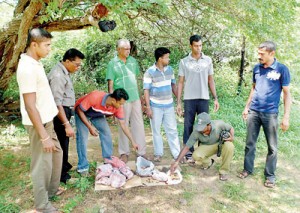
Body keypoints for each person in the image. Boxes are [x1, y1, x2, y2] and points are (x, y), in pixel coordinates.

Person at [16, 28, 62, 212]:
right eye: (47, 45)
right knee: (41, 164)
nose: (49, 49)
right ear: (34, 44)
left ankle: (51, 190)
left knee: (56, 154)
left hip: (47, 120)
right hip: (38, 124)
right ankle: (42, 205)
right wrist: (43, 135)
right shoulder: (26, 68)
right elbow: (30, 105)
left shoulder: (35, 62)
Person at [239, 41, 291, 188]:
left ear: (272, 53)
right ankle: (247, 169)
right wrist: (246, 107)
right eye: (258, 53)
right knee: (250, 143)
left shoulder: (282, 69)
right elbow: (254, 89)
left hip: (270, 114)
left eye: (262, 54)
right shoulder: (257, 68)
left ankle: (270, 176)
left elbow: (287, 94)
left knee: (272, 147)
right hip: (254, 112)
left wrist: (286, 117)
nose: (259, 56)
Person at [75, 88, 139, 176]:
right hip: (81, 112)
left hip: (96, 114)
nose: (121, 105)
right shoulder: (95, 97)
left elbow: (124, 125)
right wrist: (90, 127)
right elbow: (79, 110)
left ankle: (108, 159)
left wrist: (133, 142)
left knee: (106, 132)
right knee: (82, 138)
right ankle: (82, 167)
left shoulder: (117, 107)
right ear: (113, 100)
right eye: (120, 103)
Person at [177, 34, 220, 162]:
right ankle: (188, 152)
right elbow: (180, 82)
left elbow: (211, 80)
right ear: (191, 46)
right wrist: (178, 102)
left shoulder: (208, 60)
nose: (198, 48)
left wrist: (215, 98)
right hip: (189, 98)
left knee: (204, 126)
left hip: (203, 98)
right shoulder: (184, 61)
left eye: (200, 45)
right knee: (188, 125)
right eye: (196, 46)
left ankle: (202, 151)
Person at [106, 39, 147, 163]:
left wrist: (141, 96)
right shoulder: (112, 63)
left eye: (129, 48)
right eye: (125, 49)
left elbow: (136, 79)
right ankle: (124, 152)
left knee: (138, 124)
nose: (128, 51)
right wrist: (112, 102)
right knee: (123, 125)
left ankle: (141, 152)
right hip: (121, 100)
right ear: (118, 50)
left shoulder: (133, 61)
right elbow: (110, 83)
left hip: (135, 97)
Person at [48, 48, 85, 184]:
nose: (78, 67)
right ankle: (62, 176)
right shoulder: (58, 75)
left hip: (65, 110)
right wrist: (66, 124)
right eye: (76, 64)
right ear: (67, 61)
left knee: (65, 141)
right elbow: (56, 103)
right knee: (61, 143)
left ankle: (64, 166)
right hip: (59, 113)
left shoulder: (65, 72)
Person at [170, 112, 234, 181]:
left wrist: (232, 137)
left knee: (230, 146)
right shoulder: (196, 131)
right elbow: (187, 147)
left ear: (209, 125)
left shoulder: (219, 124)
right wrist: (177, 161)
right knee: (195, 155)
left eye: (202, 127)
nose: (200, 129)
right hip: (207, 146)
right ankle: (209, 162)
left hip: (221, 144)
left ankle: (223, 171)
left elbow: (230, 128)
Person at [143, 47, 180, 162]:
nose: (168, 59)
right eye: (167, 57)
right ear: (160, 59)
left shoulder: (170, 70)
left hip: (169, 105)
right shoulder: (150, 72)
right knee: (156, 131)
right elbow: (146, 90)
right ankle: (158, 153)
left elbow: (174, 86)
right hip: (155, 106)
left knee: (172, 130)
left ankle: (177, 153)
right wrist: (148, 107)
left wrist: (179, 102)